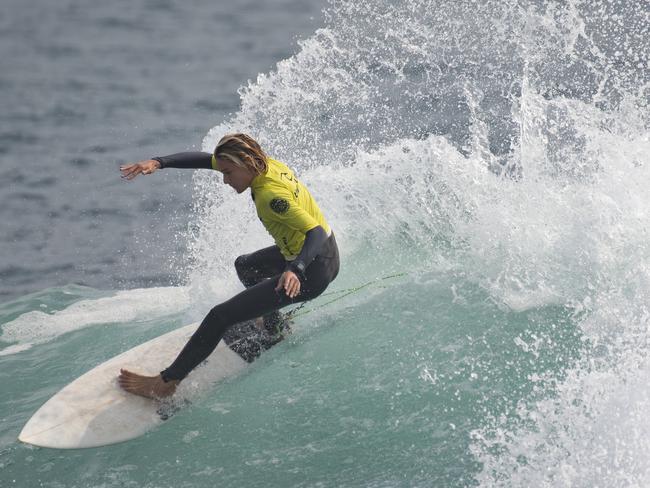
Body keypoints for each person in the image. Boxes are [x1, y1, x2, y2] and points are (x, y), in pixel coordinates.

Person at [117, 133, 339, 399]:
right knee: (246, 267)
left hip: (313, 267)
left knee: (220, 316)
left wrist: (295, 270)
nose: (225, 179)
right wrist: (159, 162)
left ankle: (165, 383)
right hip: (321, 253)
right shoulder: (265, 164)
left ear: (245, 164)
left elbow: (315, 232)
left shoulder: (271, 196)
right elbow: (204, 160)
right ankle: (274, 328)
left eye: (228, 173)